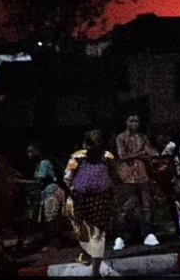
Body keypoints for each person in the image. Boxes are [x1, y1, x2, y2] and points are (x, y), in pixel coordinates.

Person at [66, 130, 117, 277]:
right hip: (101, 199)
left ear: (85, 143)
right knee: (98, 235)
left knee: (82, 228)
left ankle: (85, 253)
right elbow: (114, 176)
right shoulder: (108, 156)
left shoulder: (77, 157)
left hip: (80, 198)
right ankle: (95, 271)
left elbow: (67, 178)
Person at [114, 114, 159, 250]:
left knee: (146, 206)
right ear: (126, 122)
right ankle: (120, 237)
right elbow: (122, 156)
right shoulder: (121, 137)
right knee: (124, 208)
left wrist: (145, 154)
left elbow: (151, 152)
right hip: (128, 176)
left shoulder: (143, 137)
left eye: (137, 121)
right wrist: (140, 154)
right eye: (131, 121)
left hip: (142, 175)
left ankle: (149, 234)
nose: (134, 123)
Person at [25, 142, 66, 251]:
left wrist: (21, 181)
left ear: (38, 151)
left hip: (51, 193)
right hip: (51, 192)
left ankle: (55, 243)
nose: (29, 154)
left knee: (51, 219)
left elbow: (39, 181)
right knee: (51, 218)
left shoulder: (44, 163)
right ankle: (55, 241)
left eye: (31, 151)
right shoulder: (41, 164)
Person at [151, 134, 180, 239]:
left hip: (168, 179)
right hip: (156, 179)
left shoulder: (171, 148)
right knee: (153, 205)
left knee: (172, 203)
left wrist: (177, 176)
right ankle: (152, 231)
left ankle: (178, 228)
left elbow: (176, 162)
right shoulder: (152, 150)